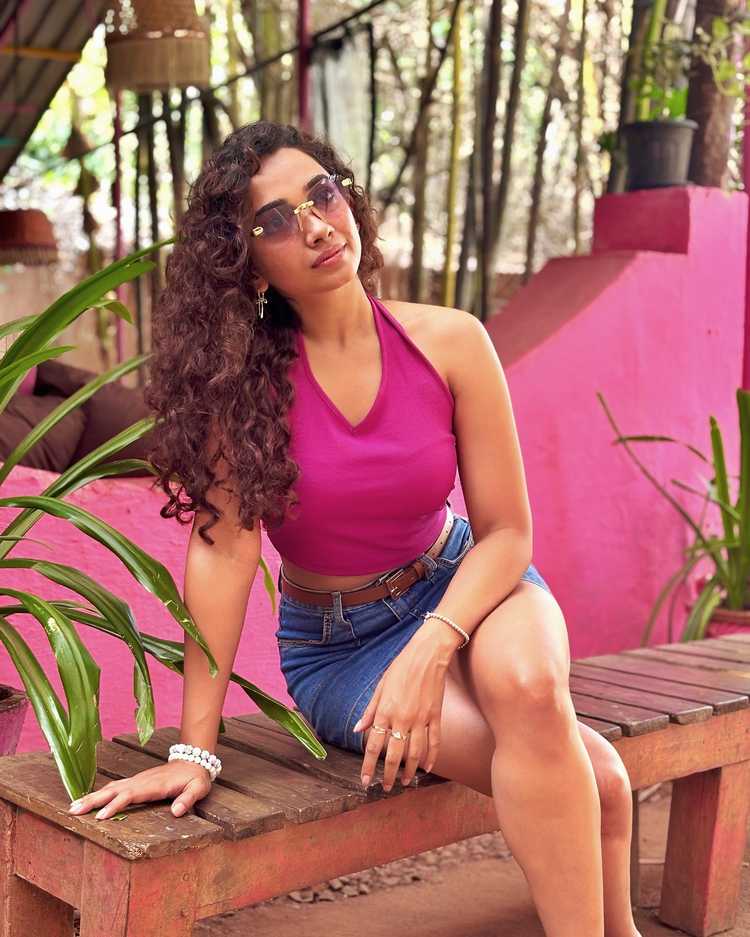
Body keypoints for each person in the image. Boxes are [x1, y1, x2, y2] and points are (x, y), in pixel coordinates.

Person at [67, 120, 641, 937]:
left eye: (322, 195)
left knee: (529, 686)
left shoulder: (452, 341)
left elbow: (508, 532)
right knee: (603, 780)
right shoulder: (244, 391)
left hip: (466, 582)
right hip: (341, 645)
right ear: (247, 264)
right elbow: (224, 557)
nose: (314, 227)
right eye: (274, 221)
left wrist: (431, 645)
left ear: (348, 201)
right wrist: (193, 747)